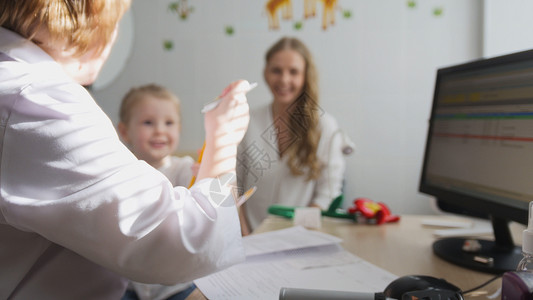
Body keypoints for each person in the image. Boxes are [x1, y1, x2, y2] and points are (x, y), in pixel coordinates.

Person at [0, 1, 251, 299]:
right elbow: (183, 245)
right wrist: (223, 139)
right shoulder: (38, 100)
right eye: (118, 19)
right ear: (95, 16)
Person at [237, 37, 346, 235]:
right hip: (250, 239)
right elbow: (233, 187)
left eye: (293, 72)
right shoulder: (247, 121)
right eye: (276, 70)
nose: (284, 80)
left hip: (302, 239)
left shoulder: (324, 126)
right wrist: (245, 238)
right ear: (265, 73)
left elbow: (327, 195)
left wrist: (294, 235)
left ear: (306, 76)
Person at [117, 84, 196, 300]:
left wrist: (207, 173)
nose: (160, 130)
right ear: (124, 131)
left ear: (178, 129)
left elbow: (204, 199)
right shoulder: (119, 173)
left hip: (176, 286)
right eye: (148, 123)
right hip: (129, 285)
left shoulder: (183, 169)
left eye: (169, 123)